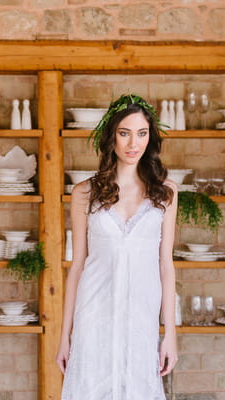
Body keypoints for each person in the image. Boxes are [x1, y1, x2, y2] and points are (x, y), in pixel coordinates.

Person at [56, 94, 178, 399]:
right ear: (112, 137)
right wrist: (64, 337)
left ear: (150, 138)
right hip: (93, 313)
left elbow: (166, 266)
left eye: (142, 133)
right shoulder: (85, 193)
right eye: (124, 133)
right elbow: (78, 266)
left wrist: (170, 335)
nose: (133, 143)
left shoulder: (166, 193)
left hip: (141, 316)